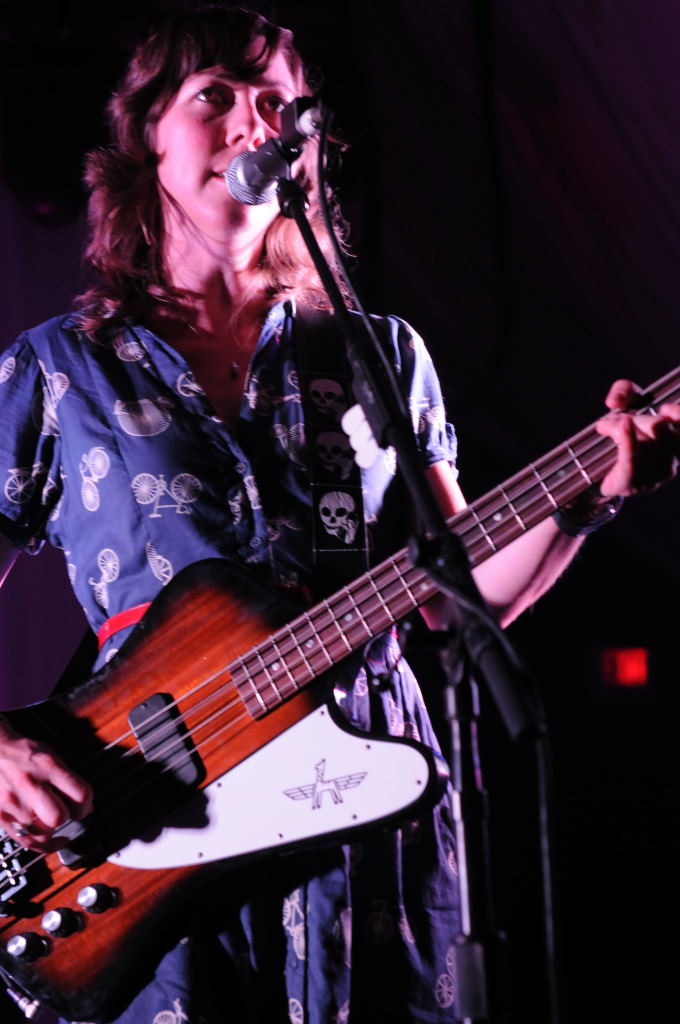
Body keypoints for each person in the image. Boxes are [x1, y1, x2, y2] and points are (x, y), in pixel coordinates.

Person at [0, 6, 678, 1023]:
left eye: (277, 102)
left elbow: (459, 595)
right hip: (148, 825)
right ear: (146, 138)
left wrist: (591, 495)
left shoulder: (376, 354)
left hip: (363, 810)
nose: (251, 121)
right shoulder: (60, 369)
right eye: (214, 96)